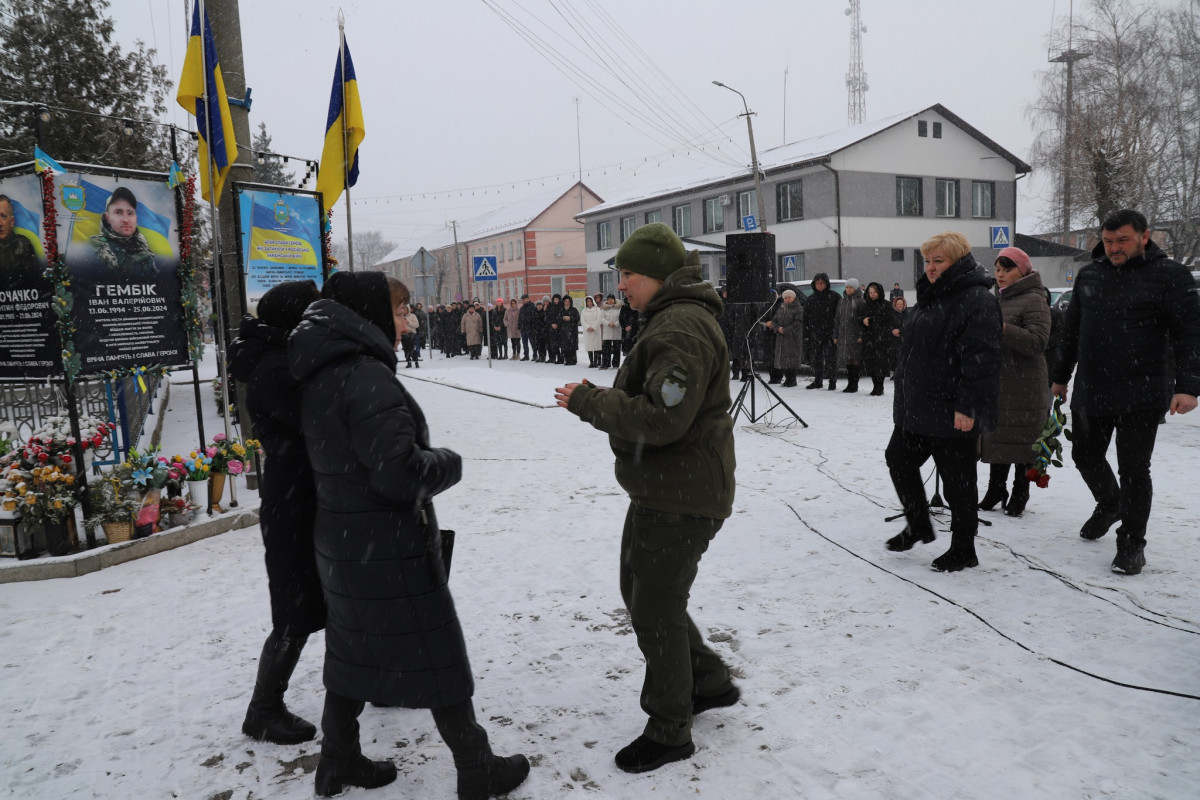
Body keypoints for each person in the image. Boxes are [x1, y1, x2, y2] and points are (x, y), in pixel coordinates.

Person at [289, 272, 529, 798]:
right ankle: (476, 765)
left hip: (344, 541)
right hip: (387, 546)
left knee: (351, 652)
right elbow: (398, 475)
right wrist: (449, 462)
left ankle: (338, 759)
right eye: (399, 312)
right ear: (370, 314)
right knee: (436, 653)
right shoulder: (366, 377)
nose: (406, 323)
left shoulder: (322, 370)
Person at [554, 223, 738, 775]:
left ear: (657, 273)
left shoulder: (680, 327)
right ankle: (707, 681)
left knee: (654, 607)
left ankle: (669, 729)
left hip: (683, 494)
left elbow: (663, 416)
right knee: (645, 597)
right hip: (664, 487)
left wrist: (592, 402)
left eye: (628, 274)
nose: (622, 285)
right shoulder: (669, 319)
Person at [1051, 209, 1200, 575]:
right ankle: (1110, 502)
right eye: (1108, 241)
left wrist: (1188, 387)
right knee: (1085, 455)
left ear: (1144, 237)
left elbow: (1190, 333)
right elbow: (1071, 332)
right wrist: (1060, 375)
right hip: (1092, 386)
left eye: (1123, 240)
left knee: (1134, 469)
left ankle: (1131, 543)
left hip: (1143, 390)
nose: (1114, 247)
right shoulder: (1090, 275)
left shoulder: (1170, 276)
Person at [228, 280, 324, 748]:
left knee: (337, 598)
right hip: (293, 504)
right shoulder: (272, 368)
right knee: (294, 610)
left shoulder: (282, 358)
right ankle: (263, 709)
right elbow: (320, 416)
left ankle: (374, 677)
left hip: (309, 496)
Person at [886, 232, 1002, 572]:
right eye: (928, 261)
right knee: (898, 459)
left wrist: (968, 406)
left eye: (939, 261)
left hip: (953, 409)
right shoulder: (931, 296)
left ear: (958, 260)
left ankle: (964, 548)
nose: (931, 267)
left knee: (958, 483)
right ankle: (919, 523)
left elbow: (982, 360)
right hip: (919, 407)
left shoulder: (976, 300)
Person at [978, 247, 1051, 516]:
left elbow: (1038, 342)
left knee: (1022, 439)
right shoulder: (998, 299)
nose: (1000, 274)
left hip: (1025, 384)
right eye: (997, 269)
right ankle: (996, 488)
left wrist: (1003, 329)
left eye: (1006, 269)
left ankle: (1021, 491)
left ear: (1022, 270)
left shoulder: (1035, 299)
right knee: (998, 437)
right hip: (999, 381)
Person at [89, 186, 156, 277]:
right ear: (107, 218)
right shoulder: (93, 248)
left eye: (130, 213)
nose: (126, 219)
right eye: (118, 212)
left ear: (136, 218)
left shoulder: (142, 244)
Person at [803, 273, 840, 389]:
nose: (819, 285)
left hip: (830, 333)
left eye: (822, 283)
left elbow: (839, 316)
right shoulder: (811, 299)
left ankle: (832, 382)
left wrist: (836, 333)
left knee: (831, 359)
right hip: (815, 333)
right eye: (817, 283)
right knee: (816, 359)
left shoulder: (834, 297)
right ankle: (818, 381)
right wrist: (807, 333)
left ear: (826, 284)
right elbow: (806, 318)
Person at [860, 282, 893, 397]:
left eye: (874, 292)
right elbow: (860, 318)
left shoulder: (886, 305)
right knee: (871, 363)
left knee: (881, 363)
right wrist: (863, 320)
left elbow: (888, 319)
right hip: (869, 338)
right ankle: (875, 386)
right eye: (870, 293)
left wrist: (872, 320)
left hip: (882, 338)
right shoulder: (866, 305)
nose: (872, 295)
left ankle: (880, 386)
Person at [768, 288, 804, 387]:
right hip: (781, 338)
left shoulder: (798, 308)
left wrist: (786, 329)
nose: (787, 299)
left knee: (792, 359)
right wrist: (777, 328)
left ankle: (792, 379)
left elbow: (798, 323)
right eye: (785, 298)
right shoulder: (781, 308)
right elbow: (774, 320)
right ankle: (787, 379)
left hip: (793, 338)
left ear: (794, 298)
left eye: (789, 297)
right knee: (783, 359)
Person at [834, 278, 865, 393]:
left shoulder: (860, 301)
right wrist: (835, 335)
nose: (848, 289)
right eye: (847, 287)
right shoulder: (842, 301)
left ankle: (854, 384)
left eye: (851, 287)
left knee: (855, 359)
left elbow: (862, 321)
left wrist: (861, 335)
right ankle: (849, 383)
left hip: (855, 335)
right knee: (848, 360)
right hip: (844, 335)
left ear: (856, 288)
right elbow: (837, 319)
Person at [0, 194, 38, 286]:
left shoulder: (24, 245)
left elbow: (33, 280)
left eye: (3, 216)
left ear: (12, 221)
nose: (0, 223)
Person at [600, 294, 622, 370]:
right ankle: (606, 364)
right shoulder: (604, 309)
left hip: (617, 330)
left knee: (616, 349)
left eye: (612, 299)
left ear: (614, 300)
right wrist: (608, 323)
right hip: (607, 331)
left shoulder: (619, 308)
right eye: (609, 299)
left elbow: (621, 318)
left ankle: (615, 364)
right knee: (606, 349)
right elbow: (601, 318)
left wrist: (615, 324)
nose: (610, 301)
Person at [581, 295, 603, 368]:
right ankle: (591, 362)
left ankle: (596, 362)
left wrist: (594, 327)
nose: (589, 303)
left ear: (593, 302)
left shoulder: (597, 309)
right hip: (587, 331)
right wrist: (588, 327)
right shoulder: (584, 311)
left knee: (596, 346)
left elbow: (599, 319)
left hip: (596, 329)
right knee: (589, 346)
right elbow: (582, 321)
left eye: (590, 301)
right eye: (588, 301)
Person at [560, 295, 580, 366]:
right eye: (565, 301)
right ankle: (567, 360)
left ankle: (573, 360)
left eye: (568, 301)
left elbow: (577, 318)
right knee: (565, 346)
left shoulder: (574, 310)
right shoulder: (561, 310)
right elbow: (558, 318)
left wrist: (570, 318)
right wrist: (563, 318)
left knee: (572, 345)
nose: (567, 303)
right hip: (564, 330)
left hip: (572, 330)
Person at [517, 294, 535, 360]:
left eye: (524, 299)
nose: (523, 301)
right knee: (524, 343)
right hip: (523, 328)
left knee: (533, 343)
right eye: (522, 299)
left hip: (530, 328)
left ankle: (535, 355)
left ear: (528, 299)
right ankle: (526, 355)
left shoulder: (532, 306)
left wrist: (532, 326)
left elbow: (533, 317)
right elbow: (519, 318)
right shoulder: (522, 308)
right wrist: (519, 326)